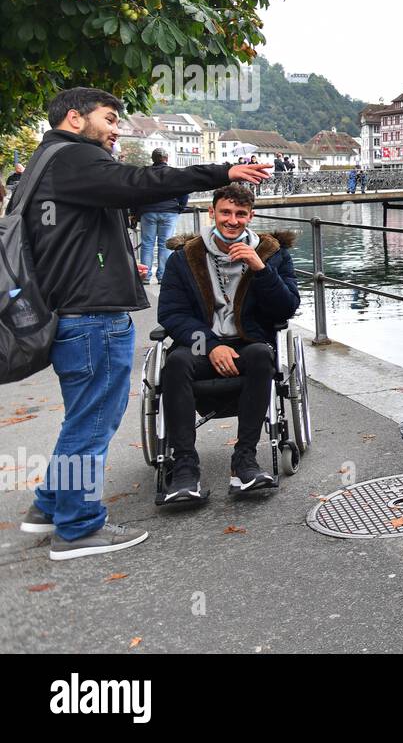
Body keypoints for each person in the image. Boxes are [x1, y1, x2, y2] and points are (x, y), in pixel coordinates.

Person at [15, 88, 272, 558]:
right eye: (109, 119)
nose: (116, 129)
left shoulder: (45, 161)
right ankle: (78, 528)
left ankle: (50, 506)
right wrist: (222, 171)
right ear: (75, 118)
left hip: (72, 308)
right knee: (92, 421)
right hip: (91, 314)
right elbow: (141, 182)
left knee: (82, 417)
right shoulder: (73, 158)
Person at [155, 184, 299, 503]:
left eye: (240, 214)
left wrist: (260, 270)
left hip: (247, 342)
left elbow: (286, 309)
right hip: (199, 345)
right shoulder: (185, 257)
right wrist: (210, 344)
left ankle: (245, 461)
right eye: (225, 212)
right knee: (175, 363)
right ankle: (185, 469)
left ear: (251, 216)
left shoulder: (272, 254)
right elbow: (171, 313)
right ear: (212, 213)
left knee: (263, 355)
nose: (232, 220)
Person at [131, 148, 188, 284]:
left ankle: (145, 275)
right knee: (165, 244)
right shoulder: (173, 173)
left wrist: (134, 212)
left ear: (153, 159)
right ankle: (163, 276)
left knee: (147, 244)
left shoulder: (144, 173)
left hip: (148, 212)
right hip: (169, 212)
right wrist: (180, 207)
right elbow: (184, 192)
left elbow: (135, 193)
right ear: (166, 158)